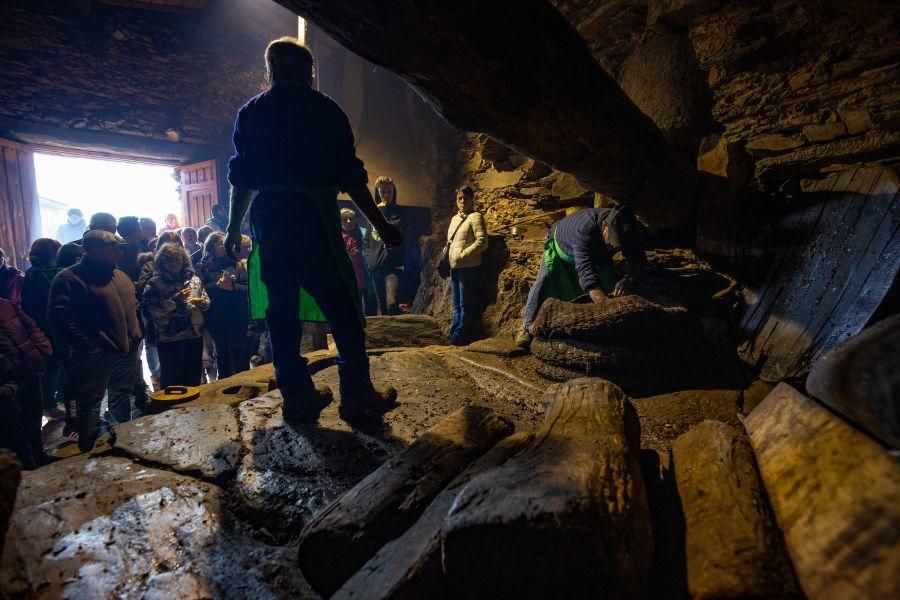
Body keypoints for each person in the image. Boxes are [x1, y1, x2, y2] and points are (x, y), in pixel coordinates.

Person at [224, 37, 403, 422]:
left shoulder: (251, 113)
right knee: (343, 309)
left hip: (270, 223)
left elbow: (241, 180)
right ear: (309, 73)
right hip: (313, 221)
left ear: (269, 71)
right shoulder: (324, 110)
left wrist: (232, 229)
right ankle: (356, 395)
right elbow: (352, 178)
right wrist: (382, 224)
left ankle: (298, 396)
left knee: (282, 313)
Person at [48, 230, 143, 453]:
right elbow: (60, 319)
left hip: (125, 350)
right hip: (94, 354)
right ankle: (90, 448)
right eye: (113, 248)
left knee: (121, 396)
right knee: (90, 403)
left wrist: (137, 333)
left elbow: (133, 307)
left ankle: (120, 444)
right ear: (94, 250)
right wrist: (88, 346)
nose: (119, 251)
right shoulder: (69, 278)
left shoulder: (119, 275)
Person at [515, 204, 645, 347]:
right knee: (544, 281)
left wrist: (627, 279)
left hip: (598, 254)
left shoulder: (628, 229)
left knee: (610, 284)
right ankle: (526, 327)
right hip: (562, 244)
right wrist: (605, 306)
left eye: (618, 246)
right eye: (613, 242)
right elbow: (586, 272)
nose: (615, 248)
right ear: (604, 226)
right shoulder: (584, 230)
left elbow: (637, 260)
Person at [141, 243, 209, 387]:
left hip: (194, 334)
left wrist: (203, 303)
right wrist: (175, 301)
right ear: (161, 262)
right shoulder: (154, 284)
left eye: (177, 259)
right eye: (169, 260)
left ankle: (193, 408)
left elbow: (206, 299)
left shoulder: (193, 279)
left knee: (193, 377)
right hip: (170, 338)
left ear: (184, 260)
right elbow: (149, 311)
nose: (174, 263)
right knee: (172, 380)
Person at [0, 298, 52, 468]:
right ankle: (24, 466)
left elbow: (31, 325)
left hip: (29, 370)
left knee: (34, 415)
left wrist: (41, 349)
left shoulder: (5, 305)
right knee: (14, 429)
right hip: (7, 381)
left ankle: (39, 456)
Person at [22, 238, 64, 419]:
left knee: (58, 364)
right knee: (51, 365)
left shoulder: (47, 271)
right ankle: (48, 404)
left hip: (52, 325)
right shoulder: (36, 274)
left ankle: (57, 399)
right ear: (50, 254)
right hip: (45, 326)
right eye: (57, 251)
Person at [199, 232, 249, 379]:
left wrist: (233, 287)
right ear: (211, 246)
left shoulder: (238, 263)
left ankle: (244, 380)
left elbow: (248, 287)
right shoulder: (202, 266)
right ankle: (225, 382)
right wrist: (218, 285)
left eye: (224, 243)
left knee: (239, 349)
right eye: (219, 243)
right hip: (216, 315)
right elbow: (200, 288)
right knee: (221, 351)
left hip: (237, 312)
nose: (223, 246)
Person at [446, 186, 489, 345]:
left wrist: (463, 255)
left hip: (469, 266)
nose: (462, 201)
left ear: (472, 200)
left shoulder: (476, 217)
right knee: (456, 303)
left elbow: (482, 242)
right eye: (459, 198)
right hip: (455, 266)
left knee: (465, 303)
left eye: (465, 198)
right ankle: (454, 331)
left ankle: (461, 335)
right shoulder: (454, 219)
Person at [365, 176, 407, 316]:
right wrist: (370, 259)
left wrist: (380, 217)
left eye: (389, 192)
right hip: (377, 267)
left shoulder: (400, 214)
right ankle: (387, 336)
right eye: (383, 192)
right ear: (378, 193)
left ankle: (397, 332)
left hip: (393, 267)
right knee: (382, 304)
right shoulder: (371, 214)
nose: (386, 196)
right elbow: (367, 240)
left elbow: (394, 235)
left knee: (392, 302)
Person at [341, 209, 368, 308]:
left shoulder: (363, 232)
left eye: (350, 218)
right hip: (349, 273)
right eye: (344, 220)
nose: (348, 221)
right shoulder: (338, 237)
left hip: (365, 272)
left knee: (369, 302)